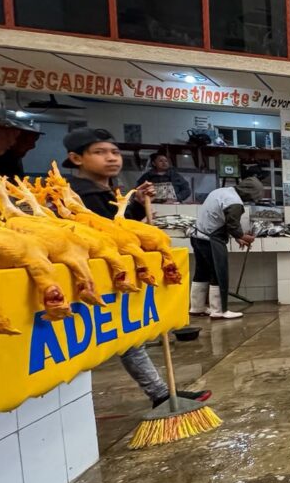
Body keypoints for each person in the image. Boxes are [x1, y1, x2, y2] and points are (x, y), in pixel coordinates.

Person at [62, 127, 210, 408]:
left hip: (114, 274)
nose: (111, 158)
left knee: (129, 339)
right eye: (100, 152)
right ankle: (159, 394)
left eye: (115, 152)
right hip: (92, 277)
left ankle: (160, 393)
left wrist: (139, 204)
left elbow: (124, 225)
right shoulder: (77, 195)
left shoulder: (107, 189)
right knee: (119, 339)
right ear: (76, 158)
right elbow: (112, 233)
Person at [189, 177, 263, 319]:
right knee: (218, 274)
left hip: (197, 237)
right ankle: (219, 311)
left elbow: (221, 219)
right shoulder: (235, 202)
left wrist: (237, 237)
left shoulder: (221, 191)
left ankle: (197, 307)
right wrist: (243, 236)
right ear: (249, 193)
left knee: (201, 272)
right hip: (211, 240)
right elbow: (233, 225)